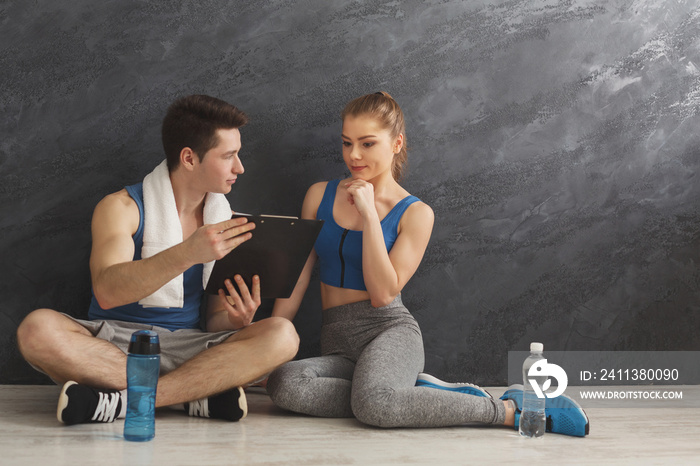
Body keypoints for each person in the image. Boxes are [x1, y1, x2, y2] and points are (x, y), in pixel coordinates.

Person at [265, 92, 589, 436]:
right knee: (284, 383)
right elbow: (297, 277)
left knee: (374, 405)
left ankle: (507, 409)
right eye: (347, 143)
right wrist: (268, 345)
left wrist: (370, 214)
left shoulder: (416, 214)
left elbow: (382, 294)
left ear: (396, 143)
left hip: (388, 332)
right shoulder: (319, 196)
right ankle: (411, 395)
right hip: (338, 343)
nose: (354, 155)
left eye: (367, 143)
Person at [16, 95, 299, 426]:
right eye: (228, 156)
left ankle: (120, 402)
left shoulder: (226, 221)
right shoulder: (121, 208)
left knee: (283, 334)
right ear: (189, 158)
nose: (240, 167)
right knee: (36, 330)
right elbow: (107, 290)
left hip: (191, 348)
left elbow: (215, 322)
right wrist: (188, 251)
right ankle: (190, 396)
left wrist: (237, 320)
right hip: (116, 344)